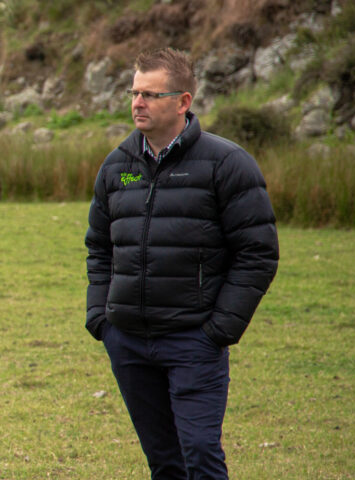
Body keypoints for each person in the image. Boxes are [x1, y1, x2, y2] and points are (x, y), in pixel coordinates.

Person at [85, 47, 279, 479]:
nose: (138, 102)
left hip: (194, 341)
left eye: (151, 94)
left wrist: (219, 330)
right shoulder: (118, 166)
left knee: (200, 455)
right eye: (135, 92)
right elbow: (99, 246)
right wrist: (102, 318)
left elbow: (257, 252)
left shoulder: (226, 163)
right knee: (164, 462)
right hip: (129, 342)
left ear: (183, 101)